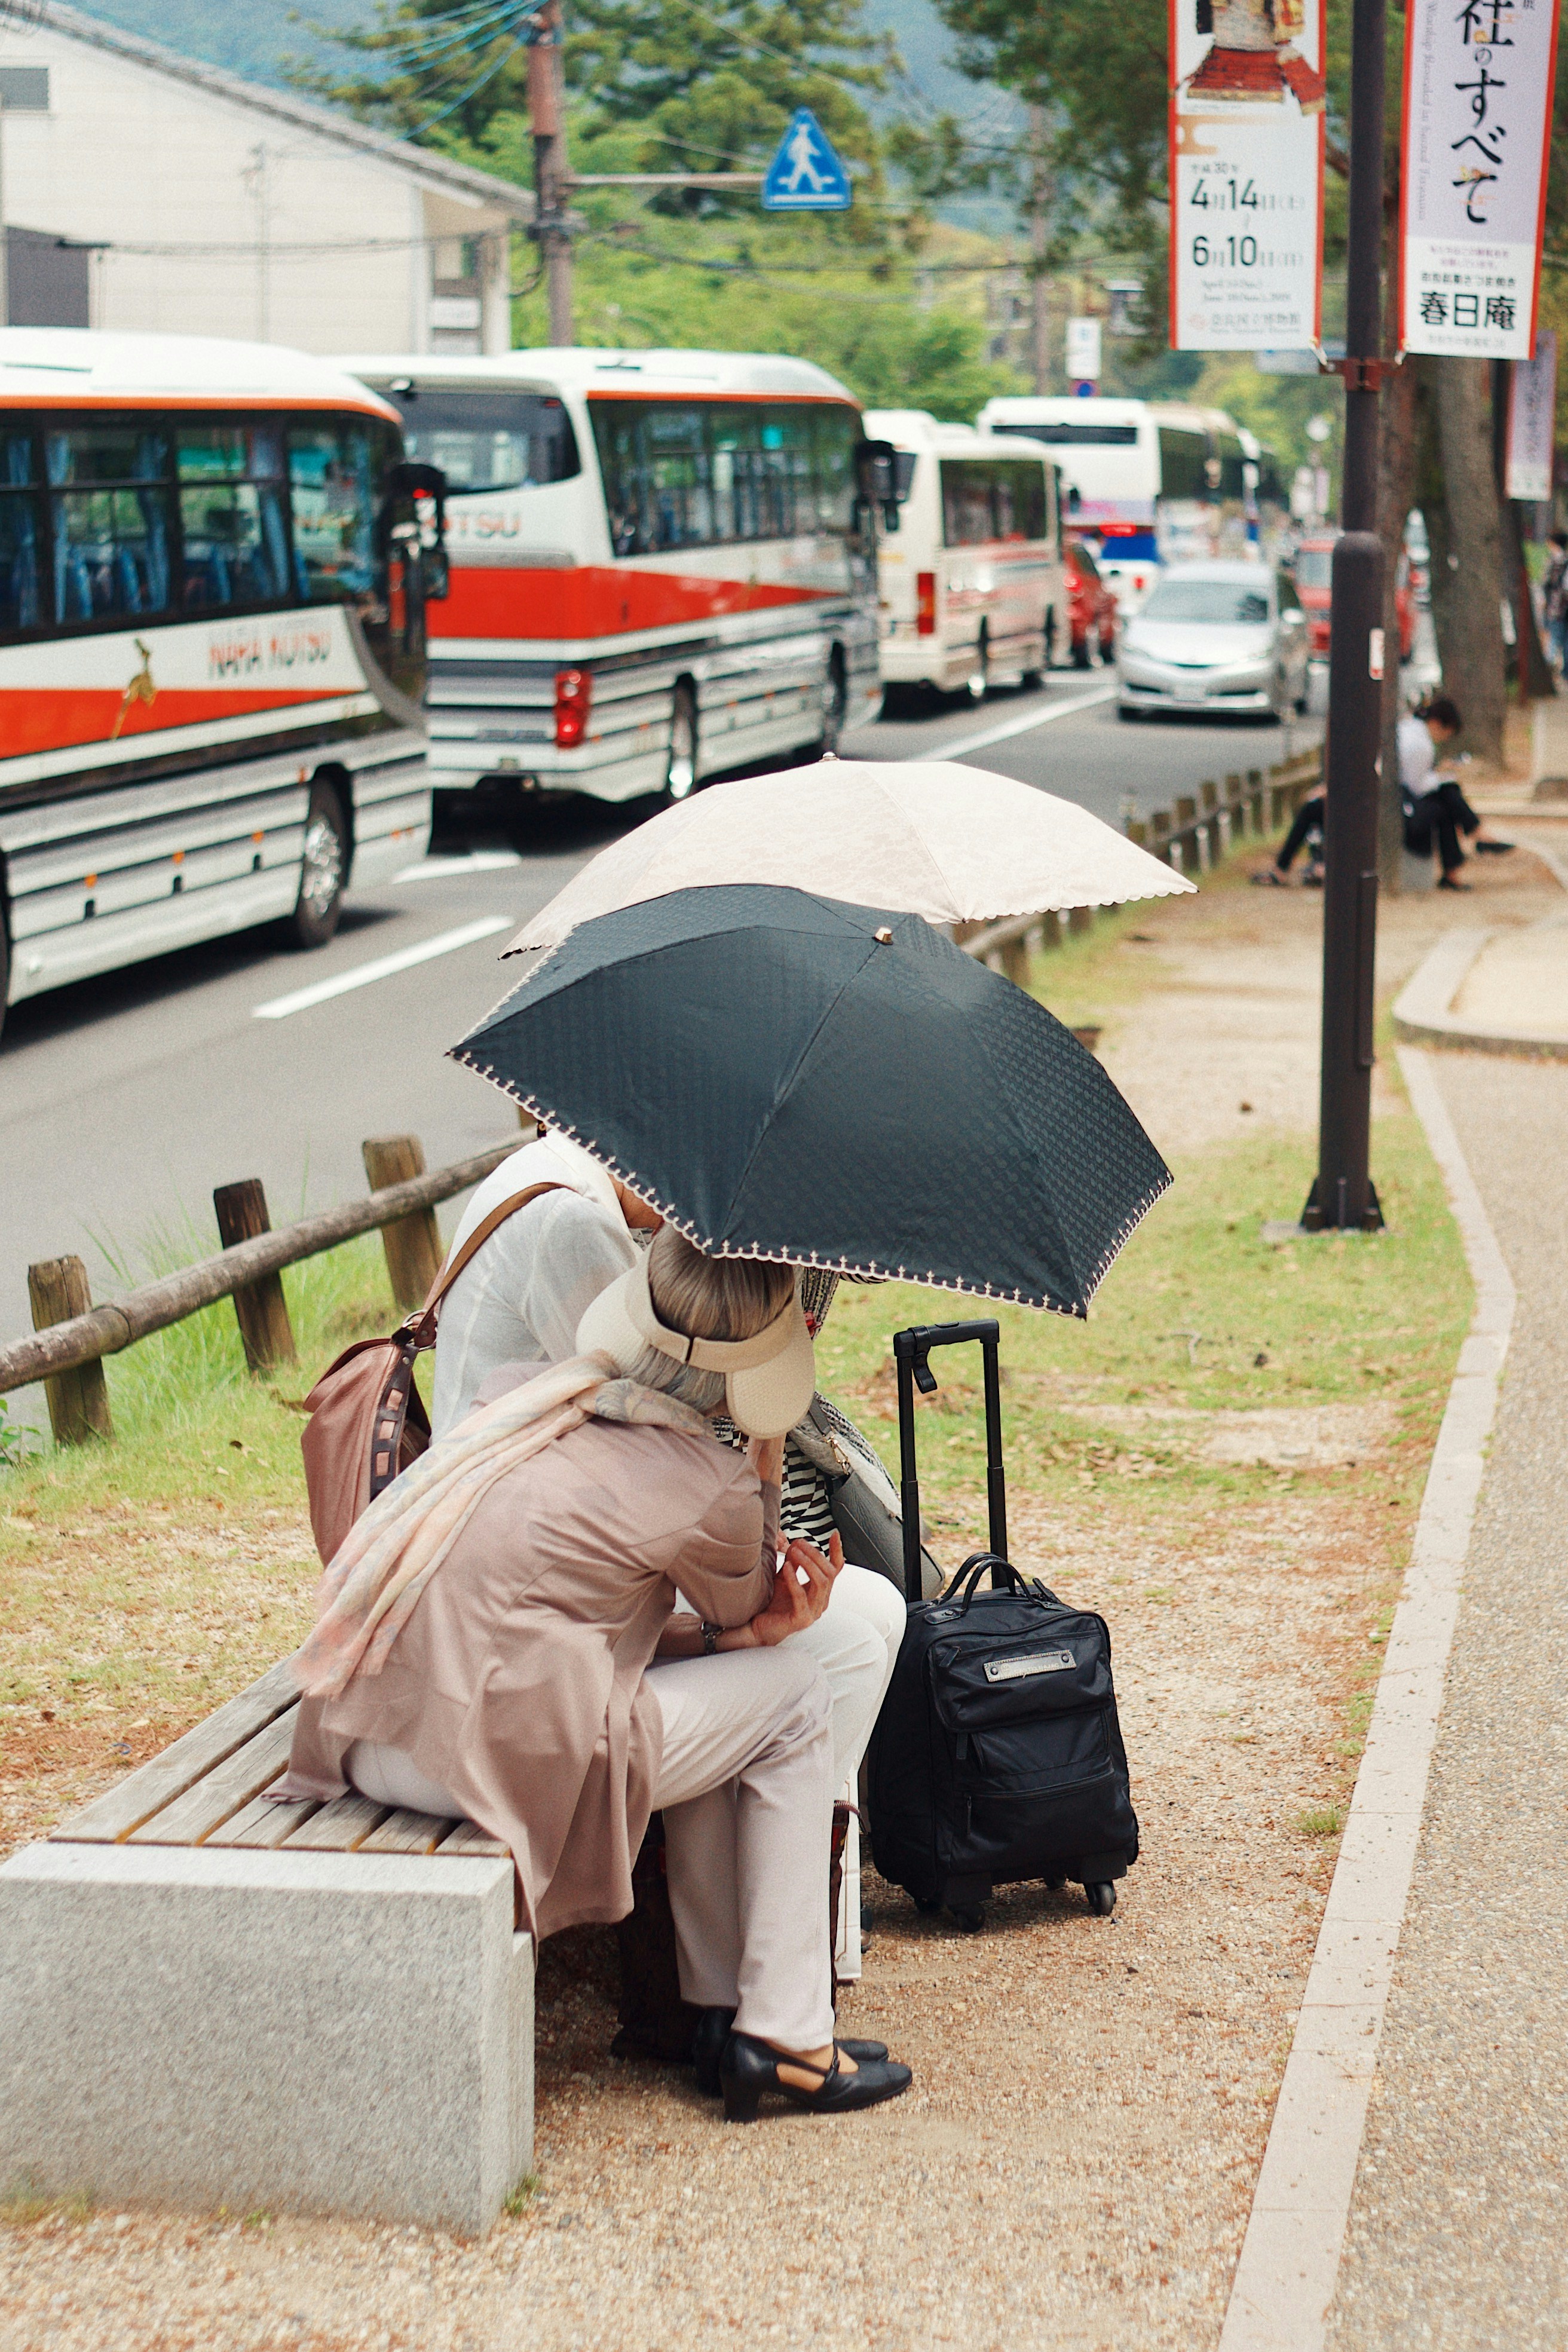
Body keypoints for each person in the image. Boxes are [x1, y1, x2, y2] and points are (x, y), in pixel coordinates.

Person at [277, 1230, 913, 2121]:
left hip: (373, 1730)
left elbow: (678, 1633)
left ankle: (718, 2014)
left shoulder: (533, 1397)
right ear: (764, 1359)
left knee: (742, 1699)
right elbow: (749, 1617)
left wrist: (744, 1631)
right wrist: (763, 1454)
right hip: (477, 1762)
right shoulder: (708, 1478)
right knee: (797, 1697)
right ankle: (788, 2039)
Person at [431, 1127, 906, 1790]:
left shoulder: (545, 1179)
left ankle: (804, 1865)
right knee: (847, 1645)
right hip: (534, 1615)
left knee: (875, 1606)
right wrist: (765, 1405)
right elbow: (708, 1529)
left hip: (518, 1554)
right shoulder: (574, 1228)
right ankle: (804, 1872)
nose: (695, 1216)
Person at [1399, 694, 1512, 889]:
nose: (1444, 740)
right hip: (1404, 802)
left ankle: (1471, 844)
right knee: (1449, 792)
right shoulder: (1421, 745)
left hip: (1405, 795)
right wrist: (1441, 775)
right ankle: (1477, 836)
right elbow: (1416, 785)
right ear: (1436, 724)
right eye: (1446, 734)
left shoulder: (1411, 729)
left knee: (1447, 801)